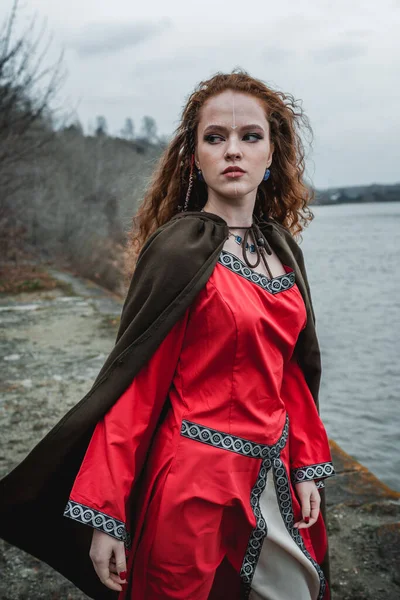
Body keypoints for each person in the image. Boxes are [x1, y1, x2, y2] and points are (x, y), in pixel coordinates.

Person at [0, 70, 335, 600]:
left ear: (272, 155)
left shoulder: (282, 249)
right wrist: (106, 512)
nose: (233, 150)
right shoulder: (180, 250)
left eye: (250, 137)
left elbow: (289, 371)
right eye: (215, 137)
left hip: (273, 481)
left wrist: (306, 463)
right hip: (193, 489)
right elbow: (134, 386)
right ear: (194, 155)